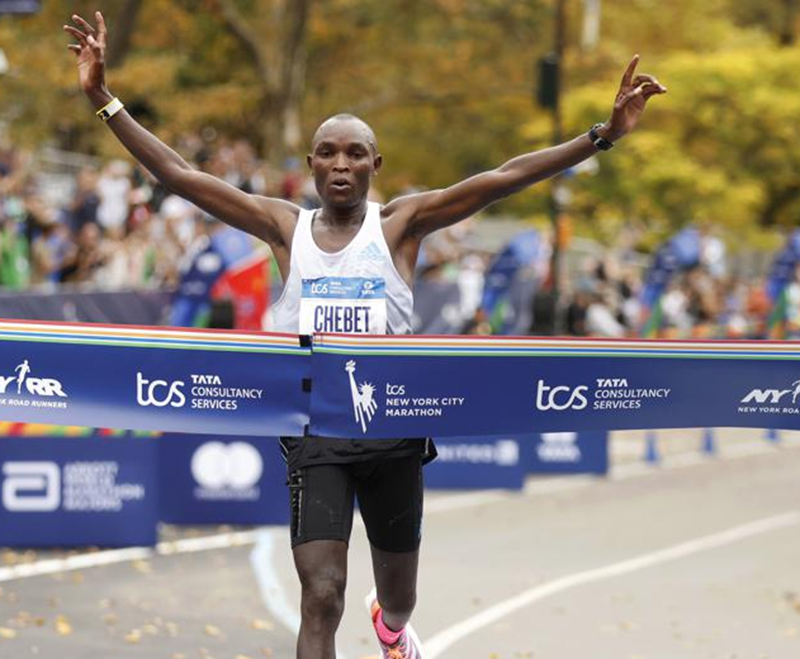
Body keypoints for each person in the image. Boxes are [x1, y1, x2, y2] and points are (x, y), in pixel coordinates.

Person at [64, 12, 666, 659]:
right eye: (328, 152)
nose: (342, 163)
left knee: (398, 592)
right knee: (321, 592)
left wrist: (600, 136)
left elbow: (503, 177)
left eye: (355, 153)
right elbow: (181, 175)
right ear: (311, 164)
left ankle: (391, 625)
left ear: (375, 164)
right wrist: (105, 100)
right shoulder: (281, 225)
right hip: (315, 433)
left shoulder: (402, 225)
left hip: (393, 434)